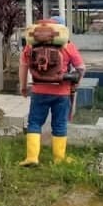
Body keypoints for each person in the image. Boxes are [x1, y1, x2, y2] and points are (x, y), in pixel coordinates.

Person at [19, 16, 85, 166]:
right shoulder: (67, 45)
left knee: (34, 122)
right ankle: (59, 159)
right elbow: (81, 68)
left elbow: (23, 67)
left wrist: (23, 87)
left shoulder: (30, 46)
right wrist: (75, 84)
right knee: (60, 124)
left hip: (39, 91)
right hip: (62, 92)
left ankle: (32, 158)